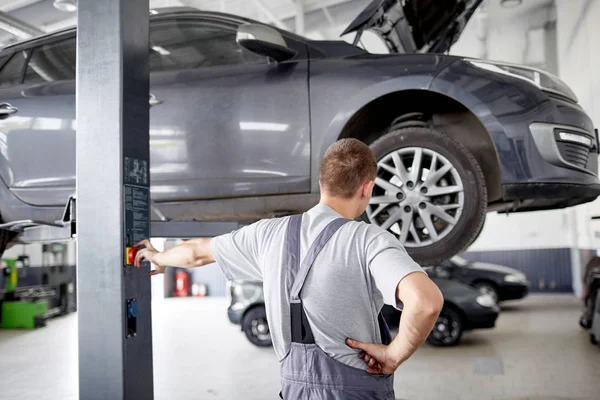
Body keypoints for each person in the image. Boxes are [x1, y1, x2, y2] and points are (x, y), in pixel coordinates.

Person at [134, 138, 444, 399]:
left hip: (293, 389)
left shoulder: (267, 233)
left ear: (323, 182)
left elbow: (197, 253)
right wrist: (393, 355)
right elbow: (426, 301)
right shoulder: (368, 240)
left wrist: (157, 257)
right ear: (367, 188)